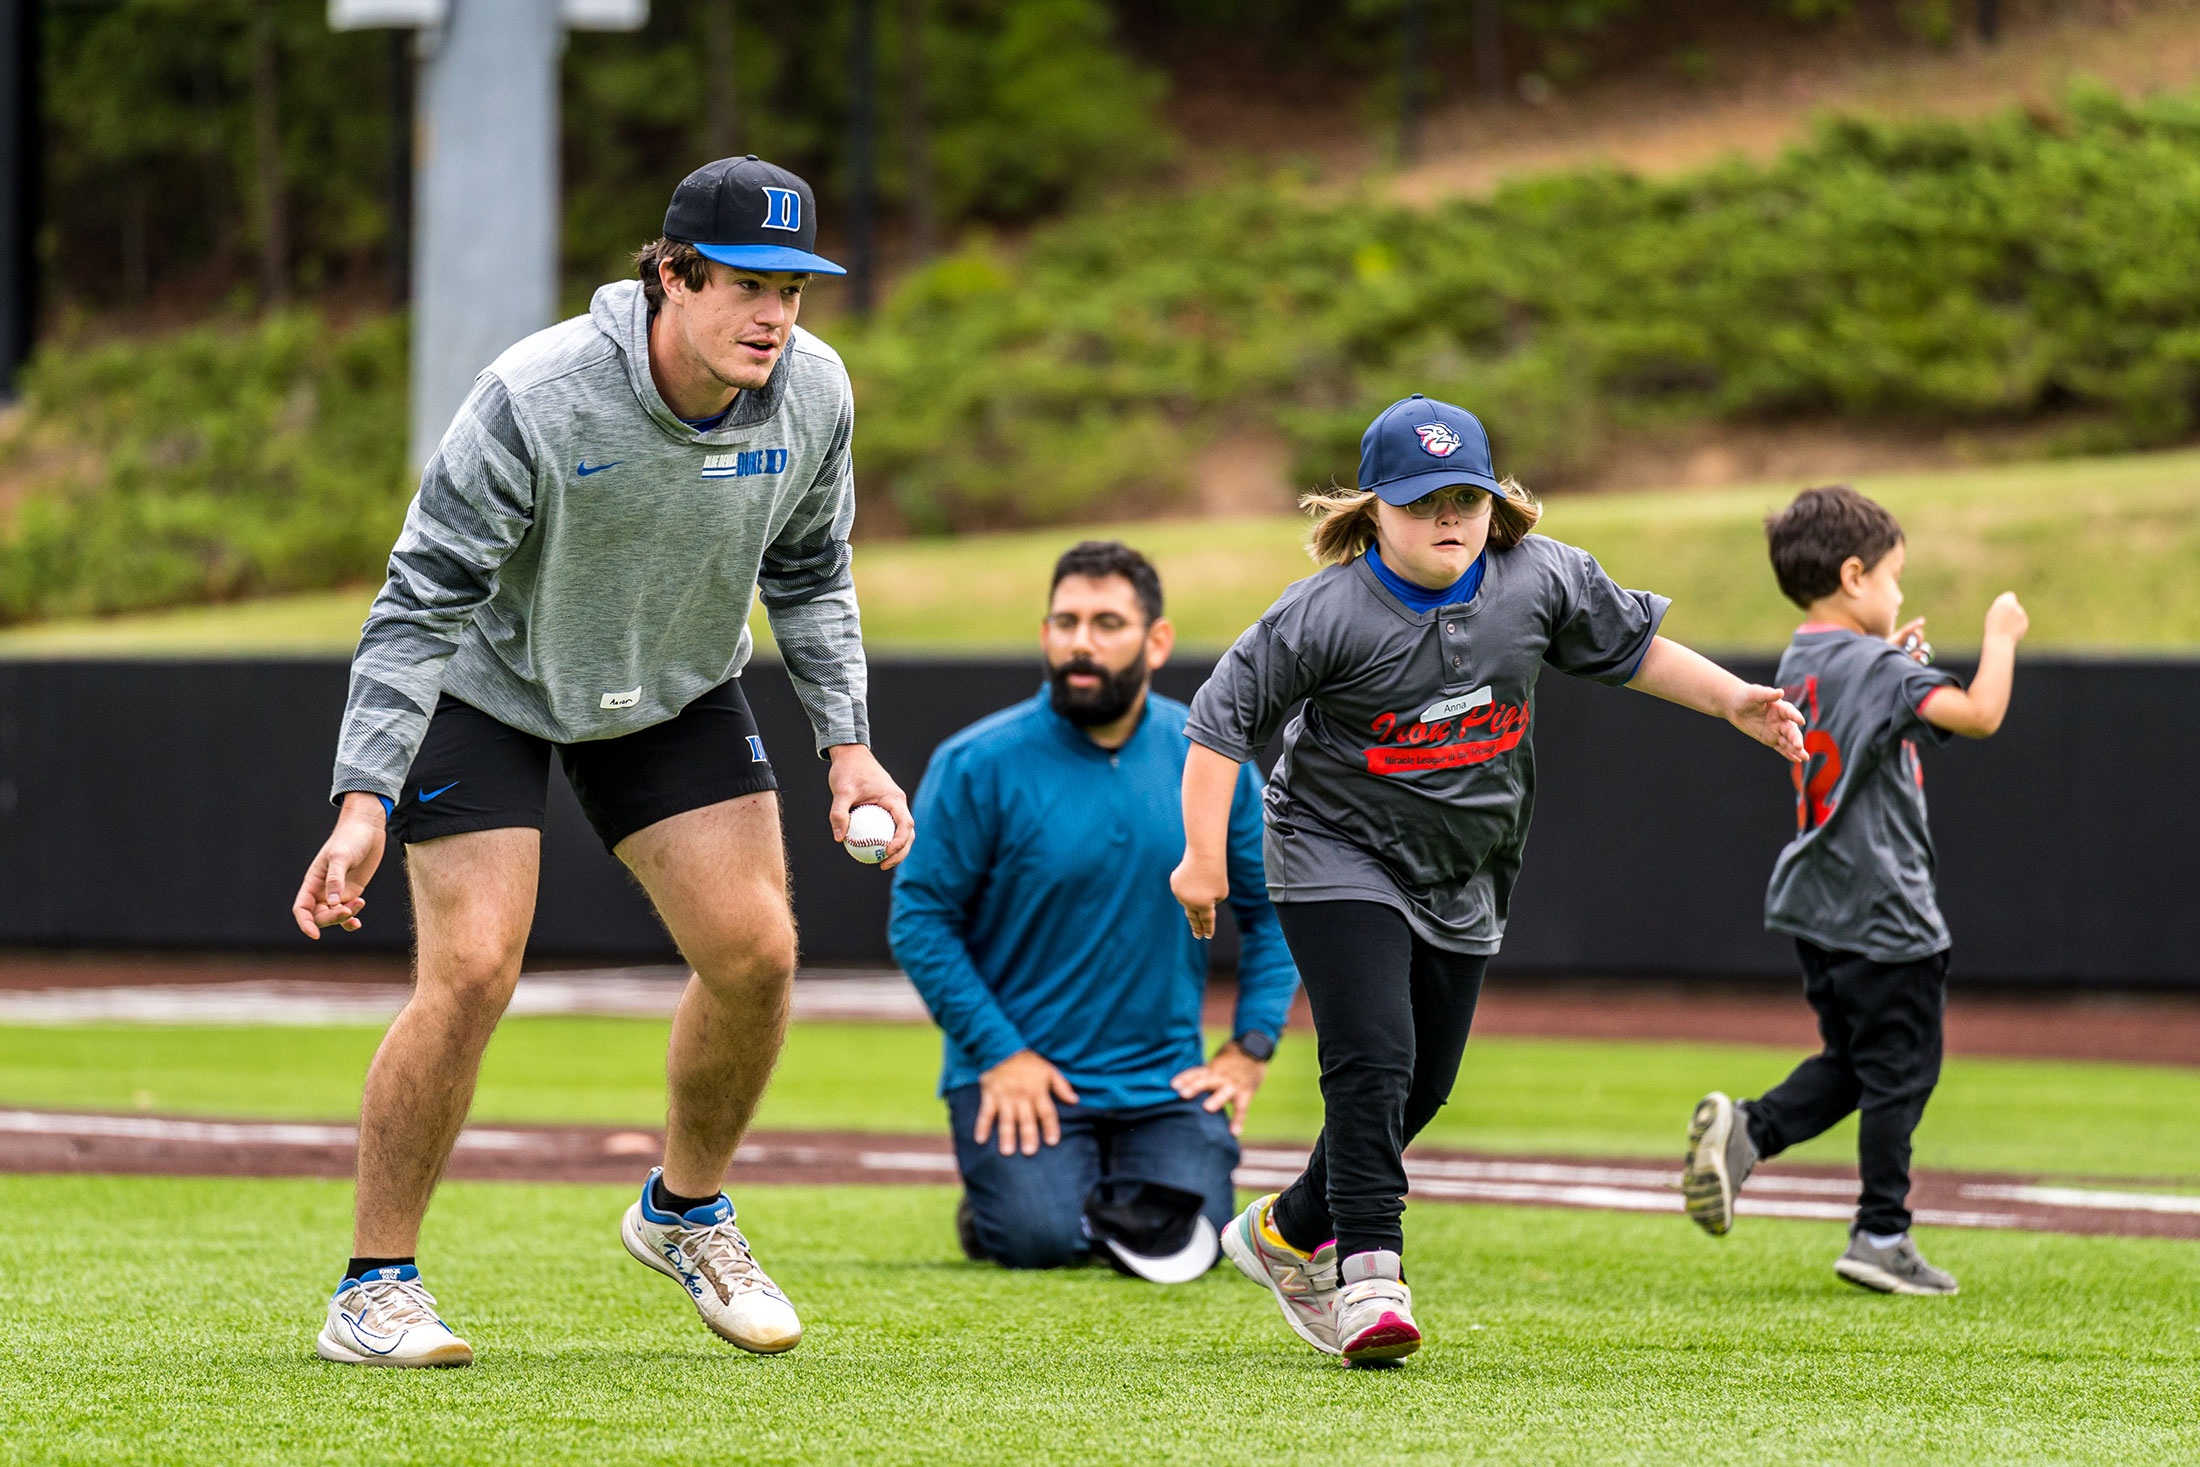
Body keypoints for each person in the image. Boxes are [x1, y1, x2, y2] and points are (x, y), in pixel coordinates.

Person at [289, 156, 914, 1367]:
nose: (775, 315)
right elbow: (418, 600)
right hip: (492, 685)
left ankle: (684, 1212)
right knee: (470, 967)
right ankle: (373, 1288)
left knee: (758, 953)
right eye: (746, 284)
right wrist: (364, 795)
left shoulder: (816, 392)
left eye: (794, 287)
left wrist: (848, 746)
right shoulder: (539, 393)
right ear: (671, 277)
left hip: (672, 685)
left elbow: (811, 570)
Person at [1170, 394, 1806, 1365]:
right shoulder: (1324, 612)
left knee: (1421, 1084)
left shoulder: (1537, 577)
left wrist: (1733, 703)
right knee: (1372, 1057)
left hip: (1464, 866)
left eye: (1464, 495)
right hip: (1331, 849)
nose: (1448, 518)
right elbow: (1219, 722)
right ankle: (1368, 1279)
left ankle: (1289, 1229)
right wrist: (1204, 856)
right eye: (1424, 499)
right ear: (1373, 505)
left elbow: (1632, 648)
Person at [889, 541, 1300, 1273]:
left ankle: (1072, 1187)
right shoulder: (976, 761)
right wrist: (1000, 1053)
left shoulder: (1210, 764)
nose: (1081, 642)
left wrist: (1250, 1047)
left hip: (1162, 1079)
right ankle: (1006, 1205)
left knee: (1190, 1242)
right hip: (1024, 1077)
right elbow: (920, 919)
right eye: (1065, 621)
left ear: (1157, 639)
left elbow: (1274, 912)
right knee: (1039, 1240)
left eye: (1107, 622)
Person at [1681, 485, 2028, 1296]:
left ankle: (1750, 1131)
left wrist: (1892, 660)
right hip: (1884, 906)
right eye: (1894, 576)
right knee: (1903, 1069)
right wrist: (2000, 634)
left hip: (1819, 903)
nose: (1901, 592)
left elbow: (1869, 704)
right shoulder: (1874, 666)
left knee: (1857, 1061)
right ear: (1852, 575)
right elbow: (1978, 713)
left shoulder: (1805, 658)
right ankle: (1881, 1231)